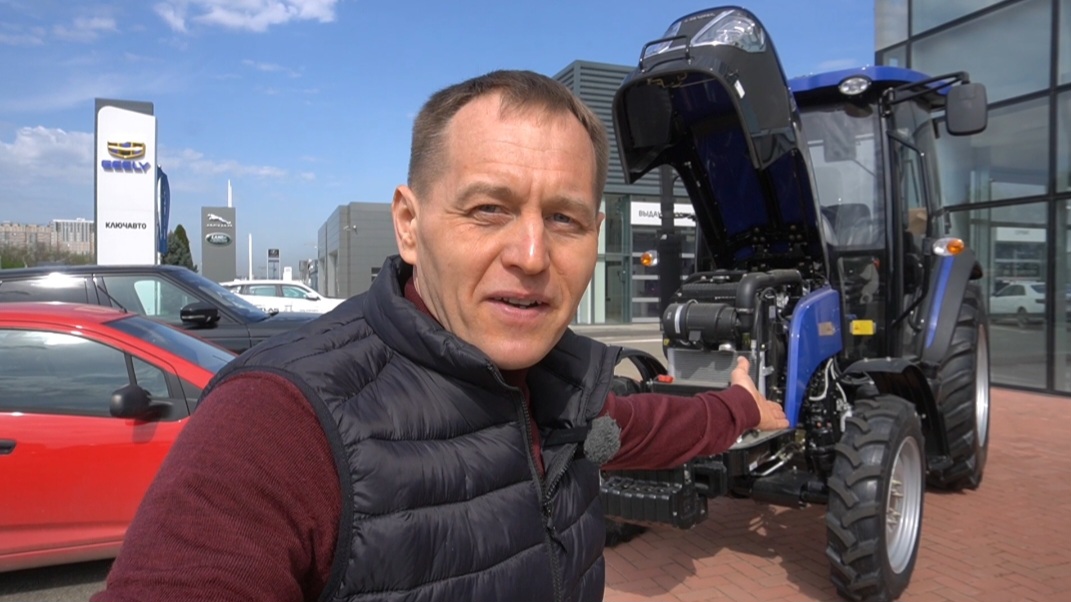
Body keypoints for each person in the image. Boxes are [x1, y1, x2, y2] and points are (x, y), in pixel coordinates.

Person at [92, 70, 788, 602]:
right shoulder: (280, 421)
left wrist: (741, 408)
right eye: (488, 209)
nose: (532, 255)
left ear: (595, 237)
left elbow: (649, 426)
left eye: (564, 220)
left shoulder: (564, 393)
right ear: (409, 225)